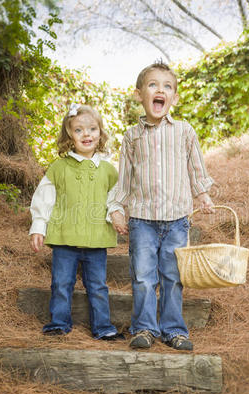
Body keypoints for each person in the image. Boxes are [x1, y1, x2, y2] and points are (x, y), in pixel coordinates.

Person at [108, 62, 215, 351]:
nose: (160, 90)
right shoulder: (132, 136)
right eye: (153, 85)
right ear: (138, 95)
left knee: (173, 277)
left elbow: (195, 166)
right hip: (142, 219)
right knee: (143, 277)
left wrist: (202, 193)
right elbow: (125, 178)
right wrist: (117, 207)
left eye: (167, 86)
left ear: (175, 98)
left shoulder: (184, 131)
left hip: (177, 221)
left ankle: (174, 330)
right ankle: (143, 328)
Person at [29, 103, 124, 341]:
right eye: (79, 130)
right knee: (61, 283)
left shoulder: (109, 170)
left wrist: (117, 215)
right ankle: (59, 322)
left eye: (92, 129)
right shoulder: (59, 167)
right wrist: (39, 227)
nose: (86, 135)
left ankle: (103, 327)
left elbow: (115, 199)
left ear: (100, 133)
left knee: (98, 287)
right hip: (64, 238)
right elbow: (44, 199)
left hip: (96, 240)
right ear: (70, 135)